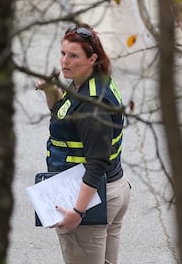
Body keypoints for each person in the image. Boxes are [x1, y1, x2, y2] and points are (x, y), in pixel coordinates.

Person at [36, 24, 131, 264]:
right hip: (110, 189)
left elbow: (97, 162)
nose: (65, 61)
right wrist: (50, 90)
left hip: (91, 197)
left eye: (74, 55)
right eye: (63, 53)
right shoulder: (87, 83)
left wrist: (78, 211)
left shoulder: (92, 104)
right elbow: (64, 116)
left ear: (92, 58)